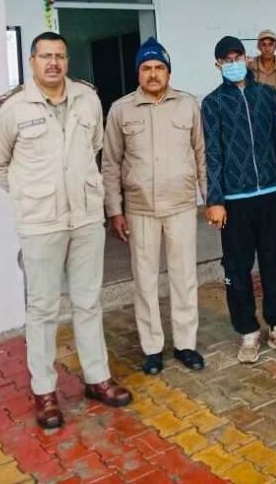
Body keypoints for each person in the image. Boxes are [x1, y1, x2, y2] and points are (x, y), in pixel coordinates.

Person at [0, 31, 131, 430]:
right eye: (45, 56)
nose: (53, 63)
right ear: (32, 61)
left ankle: (97, 378)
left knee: (88, 302)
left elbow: (95, 146)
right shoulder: (12, 108)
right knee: (43, 308)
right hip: (41, 223)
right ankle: (44, 390)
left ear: (67, 61)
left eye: (60, 56)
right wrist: (31, 194)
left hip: (85, 218)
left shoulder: (88, 98)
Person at [102, 37, 206, 376]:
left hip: (181, 205)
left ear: (168, 72)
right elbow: (110, 163)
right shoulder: (121, 110)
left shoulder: (188, 105)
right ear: (138, 73)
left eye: (159, 67)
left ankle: (186, 344)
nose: (153, 73)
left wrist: (210, 198)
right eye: (146, 68)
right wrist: (114, 209)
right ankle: (151, 348)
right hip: (140, 208)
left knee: (184, 276)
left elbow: (201, 153)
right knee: (145, 280)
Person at [202, 35, 276, 363]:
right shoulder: (213, 103)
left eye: (238, 57)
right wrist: (215, 200)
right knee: (237, 268)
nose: (233, 64)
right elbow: (212, 154)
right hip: (235, 200)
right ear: (218, 65)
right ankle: (248, 332)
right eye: (226, 60)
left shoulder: (266, 94)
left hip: (270, 194)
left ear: (247, 59)